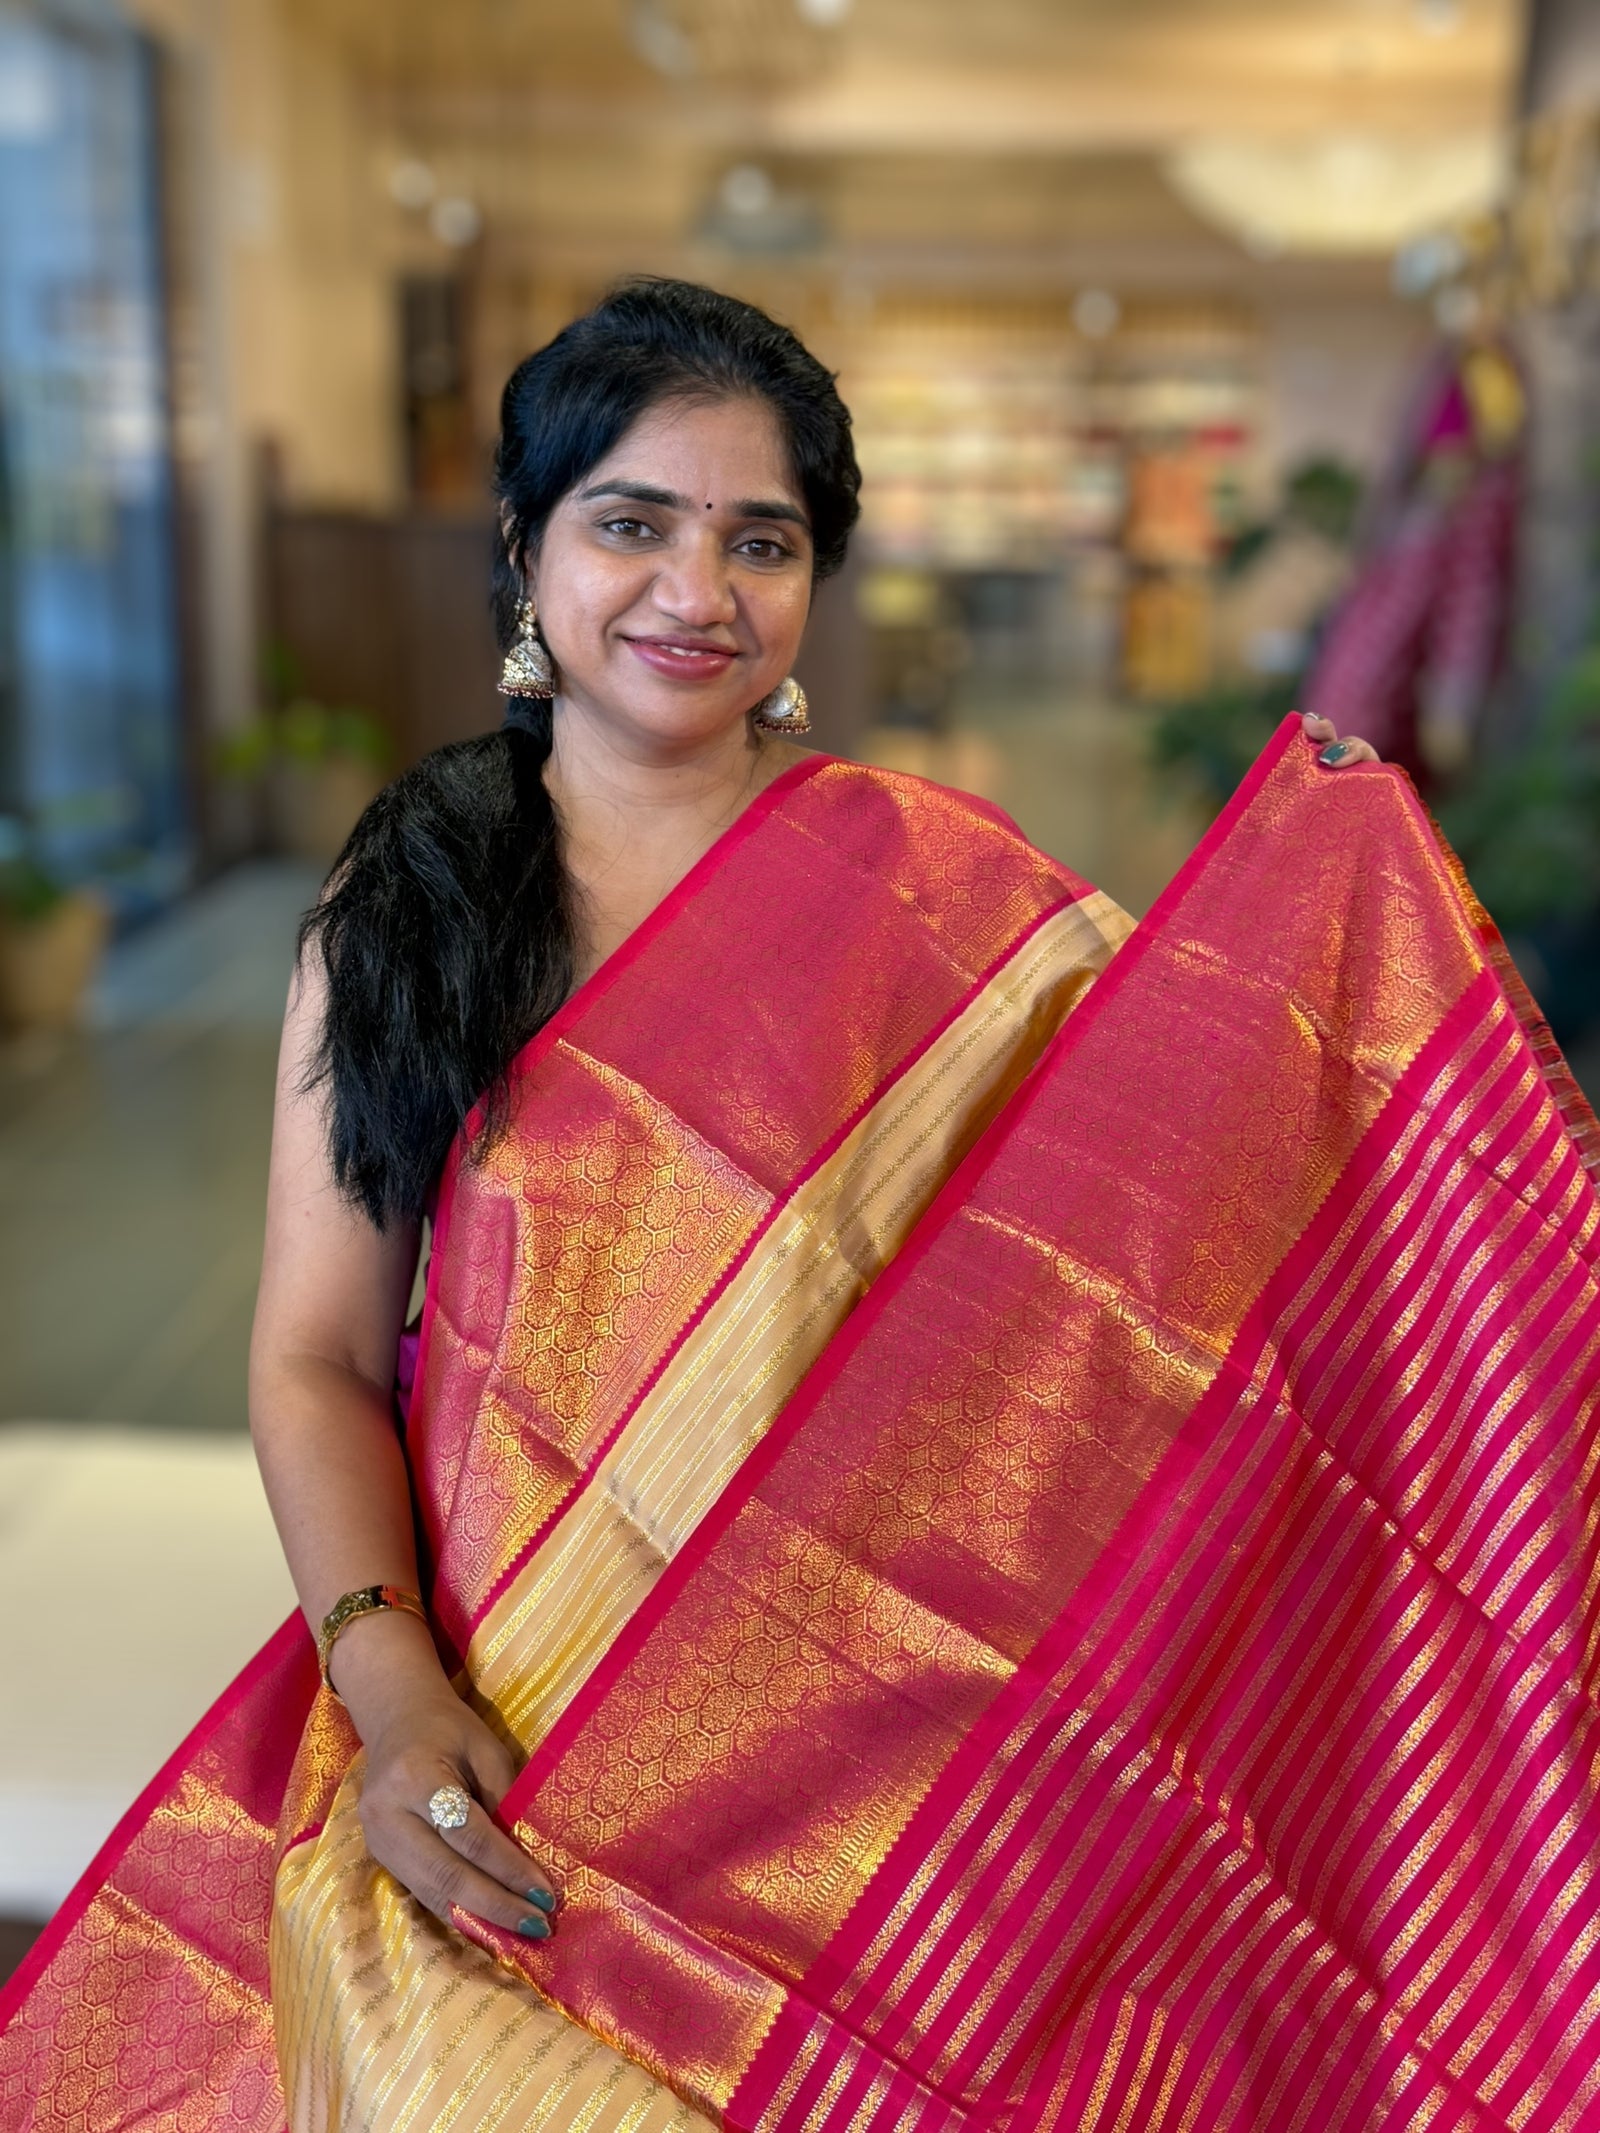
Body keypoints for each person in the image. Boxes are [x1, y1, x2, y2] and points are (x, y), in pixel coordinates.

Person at [3, 280, 1597, 2133]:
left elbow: (1179, 1212)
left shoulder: (940, 892)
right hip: (510, 1701)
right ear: (527, 550)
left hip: (867, 1718)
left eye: (759, 540)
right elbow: (311, 1357)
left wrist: (1346, 948)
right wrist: (393, 1691)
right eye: (632, 523)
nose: (697, 592)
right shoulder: (410, 912)